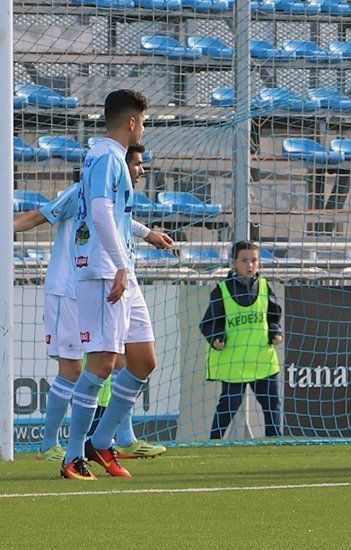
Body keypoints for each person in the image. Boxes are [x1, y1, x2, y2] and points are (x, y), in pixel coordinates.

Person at [14, 144, 171, 463]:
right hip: (68, 289)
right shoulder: (81, 192)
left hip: (95, 285)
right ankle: (48, 445)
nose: (141, 170)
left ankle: (124, 438)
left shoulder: (116, 197)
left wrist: (149, 234)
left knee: (123, 361)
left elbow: (120, 223)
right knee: (72, 371)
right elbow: (38, 216)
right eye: (137, 163)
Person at [61, 89, 161, 480]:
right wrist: (120, 265)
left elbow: (113, 215)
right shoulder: (105, 157)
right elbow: (100, 211)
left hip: (121, 269)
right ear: (133, 122)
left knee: (143, 361)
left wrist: (146, 234)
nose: (144, 129)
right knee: (102, 364)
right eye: (145, 121)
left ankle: (101, 442)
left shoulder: (110, 158)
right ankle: (72, 456)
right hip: (105, 271)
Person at [200, 240, 284, 439]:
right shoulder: (221, 291)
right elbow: (208, 323)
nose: (250, 265)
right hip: (234, 363)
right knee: (228, 406)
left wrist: (275, 332)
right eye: (244, 260)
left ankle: (275, 443)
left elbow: (273, 316)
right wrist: (216, 337)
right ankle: (214, 443)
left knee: (271, 404)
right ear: (233, 264)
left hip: (261, 360)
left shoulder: (264, 287)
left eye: (254, 260)